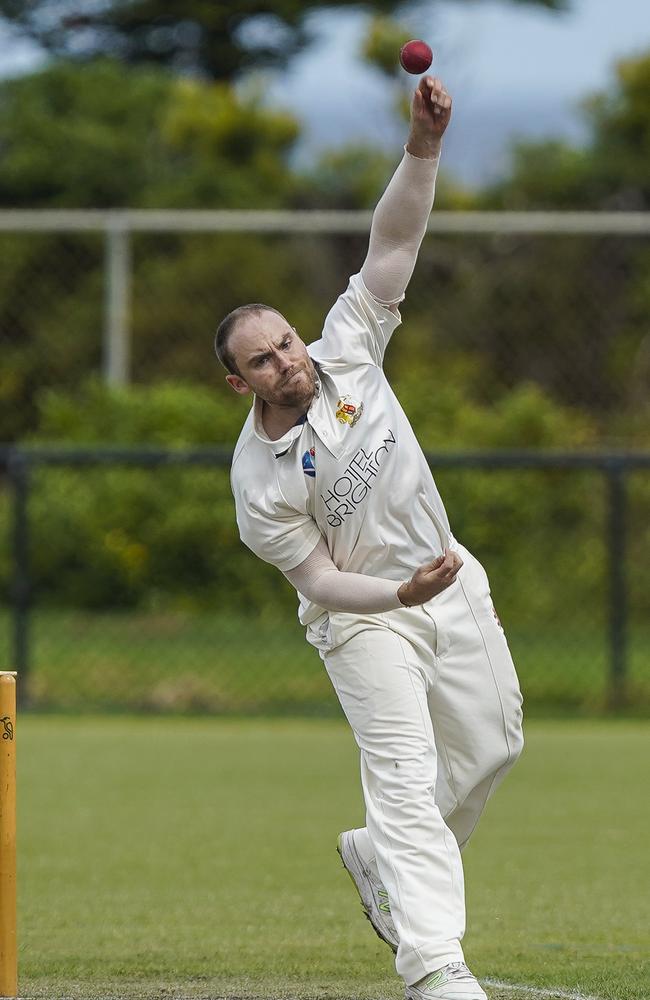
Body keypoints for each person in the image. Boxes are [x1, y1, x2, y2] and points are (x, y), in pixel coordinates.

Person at [216, 75, 524, 1000]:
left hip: (447, 574)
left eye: (286, 342)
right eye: (262, 360)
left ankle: (376, 856)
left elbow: (394, 241)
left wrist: (423, 146)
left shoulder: (347, 345)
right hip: (365, 617)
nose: (286, 360)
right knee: (404, 773)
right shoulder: (256, 484)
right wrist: (394, 597)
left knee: (492, 750)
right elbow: (316, 579)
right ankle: (435, 967)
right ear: (241, 384)